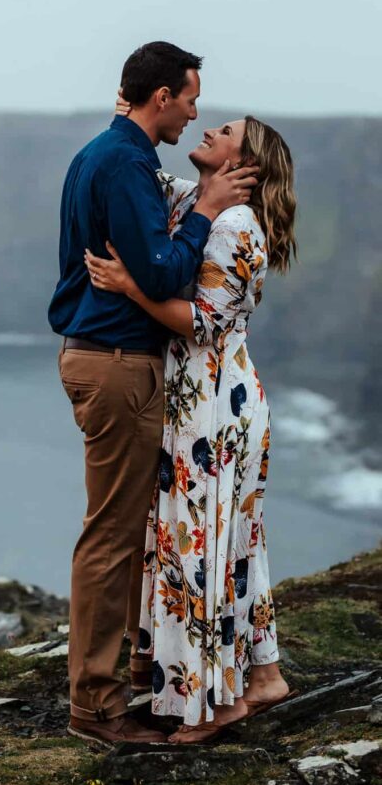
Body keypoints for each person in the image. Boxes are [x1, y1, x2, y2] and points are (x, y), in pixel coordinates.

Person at [47, 42, 257, 748]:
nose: (196, 113)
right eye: (191, 99)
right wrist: (203, 207)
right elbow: (167, 276)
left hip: (98, 356)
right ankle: (98, 711)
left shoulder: (99, 155)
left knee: (122, 532)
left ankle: (120, 683)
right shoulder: (128, 162)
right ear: (160, 97)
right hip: (115, 363)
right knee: (111, 538)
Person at [85, 105, 297, 742]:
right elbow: (142, 177)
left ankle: (216, 702)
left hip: (214, 402)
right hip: (202, 396)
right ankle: (264, 677)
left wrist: (131, 287)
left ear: (245, 165)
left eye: (225, 132)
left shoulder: (235, 225)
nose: (209, 130)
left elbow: (203, 321)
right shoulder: (198, 199)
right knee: (231, 540)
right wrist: (129, 109)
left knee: (199, 543)